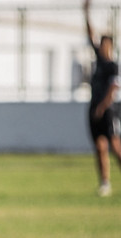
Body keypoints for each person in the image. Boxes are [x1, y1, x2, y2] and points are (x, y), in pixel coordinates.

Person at [84, 0, 119, 197]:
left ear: (111, 47)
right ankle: (105, 183)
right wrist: (86, 12)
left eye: (106, 45)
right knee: (100, 146)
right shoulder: (98, 60)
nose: (103, 48)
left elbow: (114, 87)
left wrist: (103, 106)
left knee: (115, 146)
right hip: (95, 108)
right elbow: (90, 35)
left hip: (109, 110)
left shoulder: (113, 66)